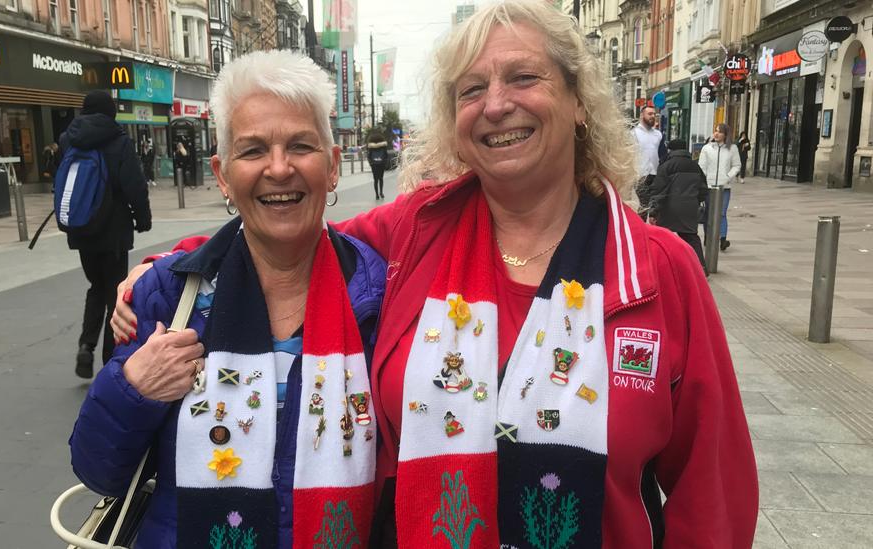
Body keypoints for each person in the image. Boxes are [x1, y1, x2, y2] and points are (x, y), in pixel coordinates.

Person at [112, 1, 758, 546]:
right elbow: (290, 234)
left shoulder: (658, 270)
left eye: (523, 78)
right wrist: (173, 263)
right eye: (472, 90)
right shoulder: (416, 230)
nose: (497, 104)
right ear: (456, 118)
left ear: (578, 100)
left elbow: (715, 494)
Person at [69, 51, 386, 549]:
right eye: (253, 150)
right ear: (222, 174)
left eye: (300, 145)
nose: (278, 169)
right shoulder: (169, 294)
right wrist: (133, 387)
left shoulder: (380, 295)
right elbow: (99, 471)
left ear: (332, 167)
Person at [60, 91, 151, 379]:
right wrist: (142, 217)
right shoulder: (119, 140)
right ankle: (110, 359)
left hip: (82, 228)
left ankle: (86, 345)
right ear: (110, 112)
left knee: (95, 287)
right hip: (113, 230)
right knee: (115, 291)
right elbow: (133, 184)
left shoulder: (68, 140)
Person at [645, 139, 709, 272]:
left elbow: (658, 191)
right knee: (691, 237)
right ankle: (700, 267)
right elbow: (703, 190)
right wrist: (695, 201)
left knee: (663, 237)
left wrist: (653, 212)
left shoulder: (666, 166)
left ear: (670, 150)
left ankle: (664, 267)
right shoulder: (695, 166)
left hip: (669, 208)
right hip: (690, 208)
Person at [699, 122, 741, 251]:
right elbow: (702, 166)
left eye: (720, 131)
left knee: (722, 213)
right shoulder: (707, 148)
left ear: (726, 134)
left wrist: (728, 176)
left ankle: (723, 239)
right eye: (715, 131)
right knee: (708, 213)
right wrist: (703, 181)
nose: (716, 133)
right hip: (709, 186)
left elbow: (736, 165)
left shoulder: (732, 148)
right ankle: (708, 236)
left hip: (724, 187)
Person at [632, 105, 662, 205]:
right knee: (643, 204)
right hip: (640, 175)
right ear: (642, 115)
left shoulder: (658, 135)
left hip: (655, 174)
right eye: (649, 114)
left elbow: (662, 154)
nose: (652, 116)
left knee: (654, 205)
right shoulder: (634, 133)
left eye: (654, 114)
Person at [366, 131, 389, 200]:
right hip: (381, 164)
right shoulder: (383, 147)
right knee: (381, 179)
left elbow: (369, 156)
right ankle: (381, 192)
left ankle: (376, 195)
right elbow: (386, 155)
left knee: (375, 180)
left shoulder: (371, 147)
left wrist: (371, 163)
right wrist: (384, 163)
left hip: (374, 165)